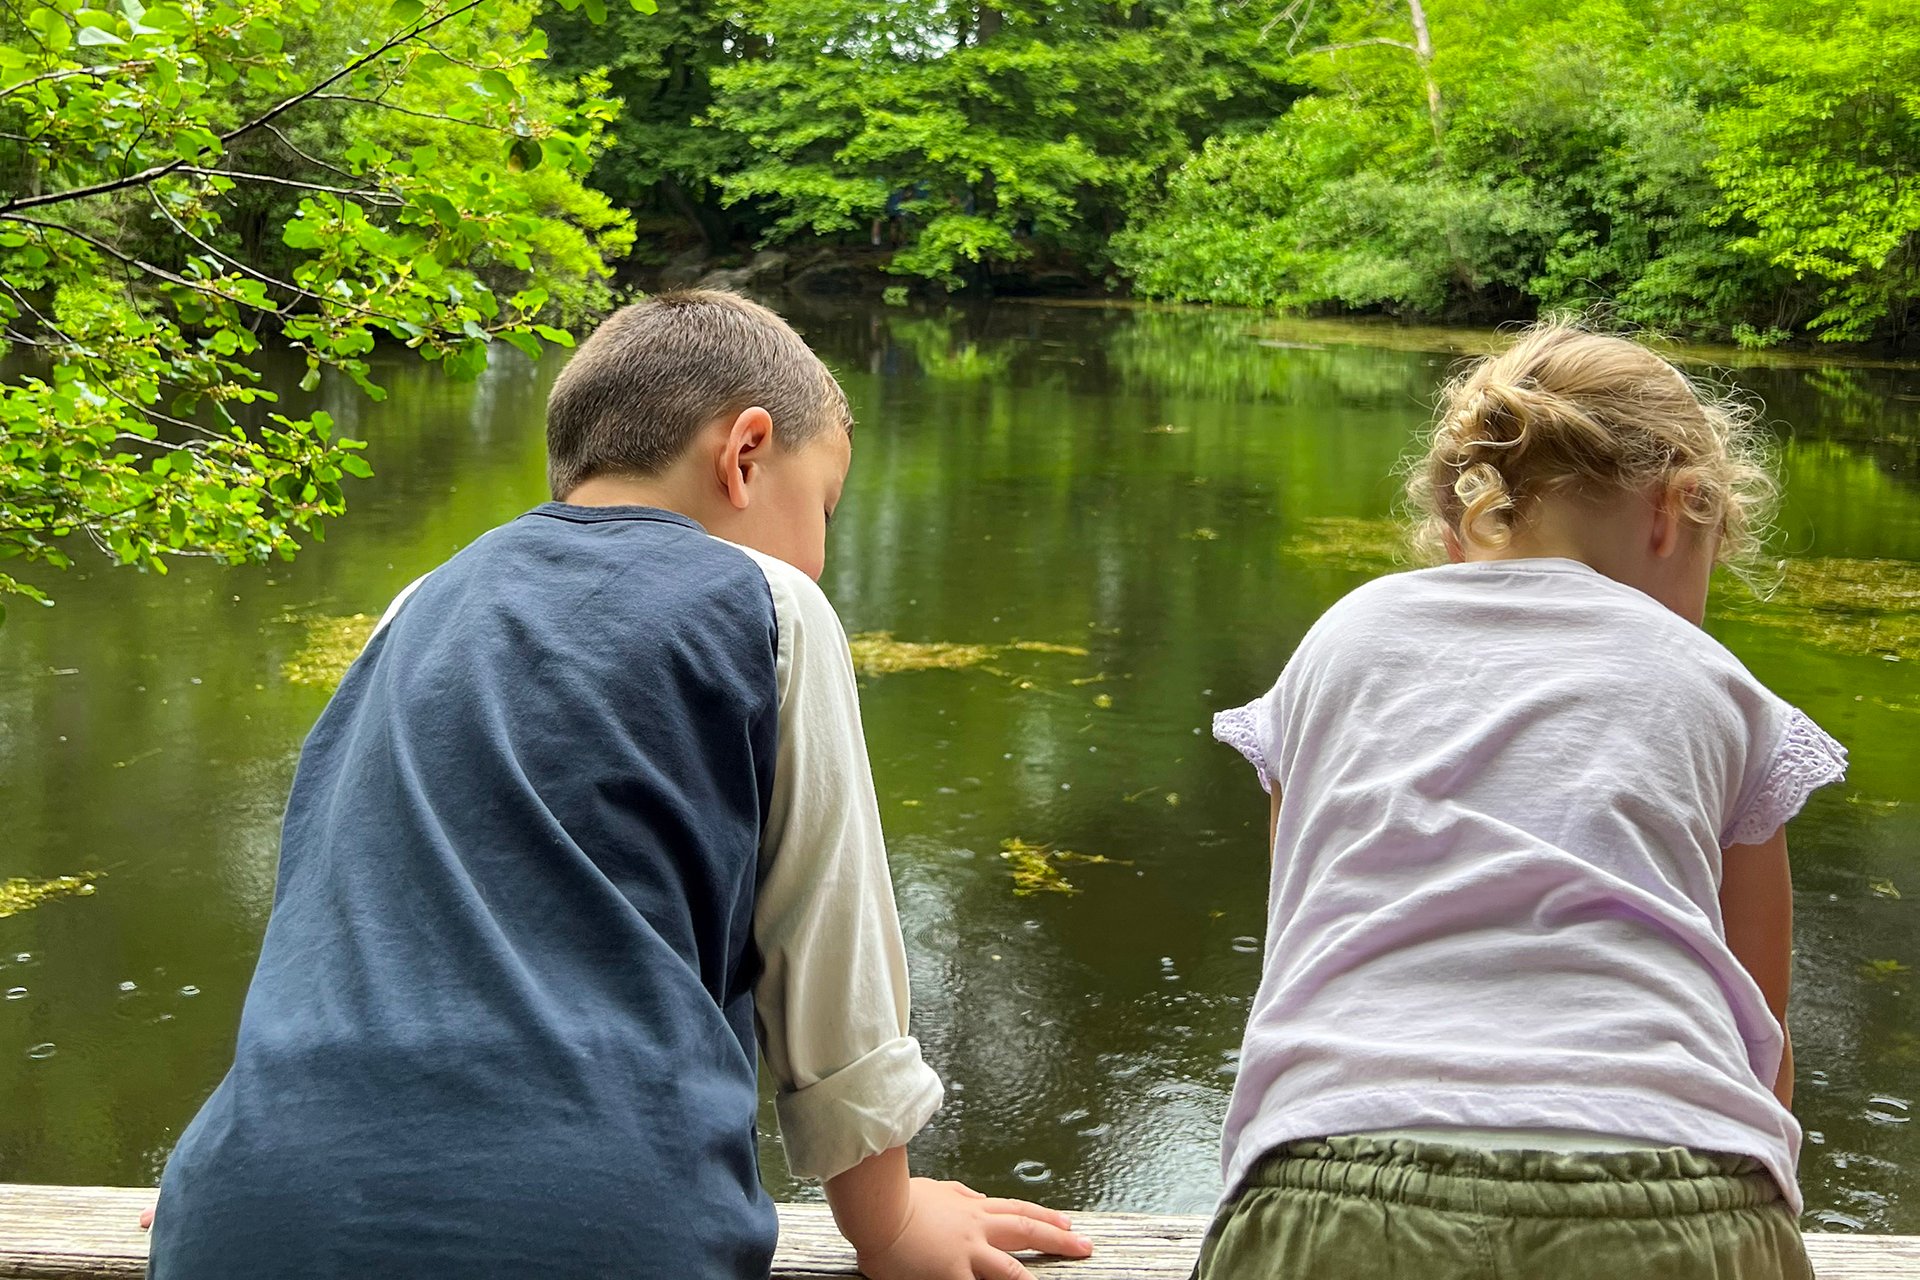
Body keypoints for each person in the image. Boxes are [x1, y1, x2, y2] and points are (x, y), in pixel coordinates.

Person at [146, 291, 1093, 1280]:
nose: (823, 549)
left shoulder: (414, 607)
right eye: (824, 506)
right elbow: (830, 959)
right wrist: (891, 1221)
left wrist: (259, 1170)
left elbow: (330, 910)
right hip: (589, 1222)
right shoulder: (770, 604)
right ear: (746, 452)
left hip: (243, 1207)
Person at [1202, 323, 1846, 1279]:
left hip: (1332, 1176)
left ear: (1465, 524)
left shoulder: (1342, 642)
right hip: (1676, 1193)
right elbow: (1761, 1039)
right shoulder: (1716, 685)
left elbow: (1307, 937)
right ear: (1677, 511)